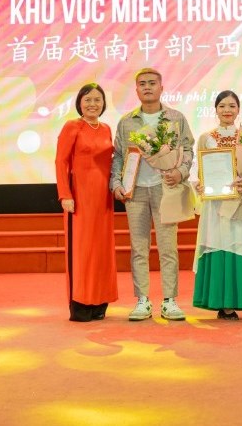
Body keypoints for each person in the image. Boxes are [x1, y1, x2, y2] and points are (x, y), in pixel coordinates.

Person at [110, 68, 195, 322]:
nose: (147, 87)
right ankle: (142, 300)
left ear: (161, 87)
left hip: (166, 189)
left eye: (152, 83)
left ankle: (170, 300)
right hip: (134, 191)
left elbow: (188, 150)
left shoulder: (175, 118)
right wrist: (115, 183)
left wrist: (180, 172)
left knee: (168, 247)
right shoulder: (127, 122)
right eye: (142, 84)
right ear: (136, 90)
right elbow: (118, 156)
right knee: (138, 247)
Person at [192, 90, 242, 320]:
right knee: (217, 242)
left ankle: (235, 300)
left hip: (238, 201)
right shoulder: (206, 138)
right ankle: (218, 300)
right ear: (215, 109)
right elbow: (202, 171)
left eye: (232, 106)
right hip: (215, 204)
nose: (227, 110)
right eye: (222, 106)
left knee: (237, 244)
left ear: (239, 109)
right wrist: (201, 185)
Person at [55, 82, 118, 321]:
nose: (93, 104)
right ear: (80, 103)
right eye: (88, 99)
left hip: (103, 198)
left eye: (97, 100)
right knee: (82, 251)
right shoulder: (73, 127)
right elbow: (61, 162)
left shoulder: (106, 129)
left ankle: (99, 301)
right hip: (79, 198)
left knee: (101, 251)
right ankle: (81, 304)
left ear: (104, 104)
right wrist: (65, 195)